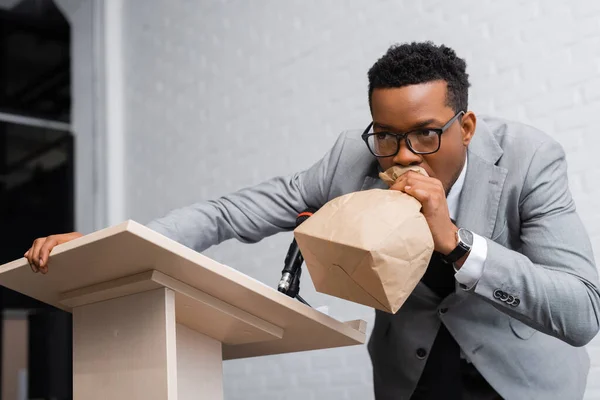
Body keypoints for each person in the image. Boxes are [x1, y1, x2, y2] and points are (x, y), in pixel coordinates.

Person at [24, 41, 600, 399]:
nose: (402, 155)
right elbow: (230, 213)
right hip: (413, 379)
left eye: (427, 133)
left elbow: (581, 311)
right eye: (386, 135)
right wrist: (112, 242)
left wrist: (457, 243)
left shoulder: (528, 160)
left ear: (466, 127)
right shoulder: (352, 160)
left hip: (523, 381)